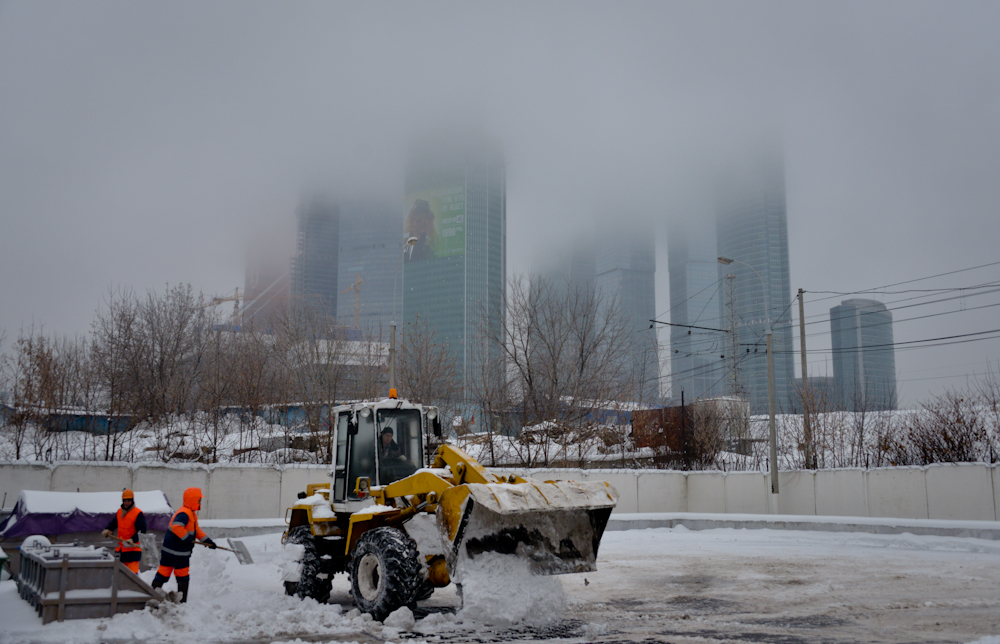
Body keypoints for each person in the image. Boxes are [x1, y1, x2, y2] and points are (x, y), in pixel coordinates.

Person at [151, 487, 217, 603]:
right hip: (178, 553)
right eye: (199, 500)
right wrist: (186, 538)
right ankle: (182, 602)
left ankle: (151, 595)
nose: (200, 502)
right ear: (193, 500)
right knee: (182, 576)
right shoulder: (184, 513)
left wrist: (208, 541)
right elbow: (177, 526)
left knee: (163, 573)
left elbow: (197, 531)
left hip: (171, 552)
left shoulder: (190, 514)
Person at [101, 489, 147, 574]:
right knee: (120, 576)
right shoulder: (120, 512)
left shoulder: (138, 513)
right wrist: (108, 529)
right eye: (125, 500)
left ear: (132, 500)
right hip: (121, 551)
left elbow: (142, 531)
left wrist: (132, 540)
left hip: (132, 551)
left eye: (128, 500)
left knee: (132, 577)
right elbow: (114, 523)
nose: (126, 503)